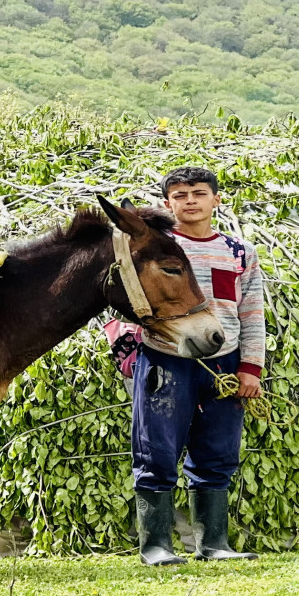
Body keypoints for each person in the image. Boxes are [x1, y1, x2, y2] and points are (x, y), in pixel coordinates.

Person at [120, 166, 267, 565]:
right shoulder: (153, 249)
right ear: (167, 204)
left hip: (224, 363)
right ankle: (156, 546)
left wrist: (250, 368)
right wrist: (128, 354)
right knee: (156, 452)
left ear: (216, 200)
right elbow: (121, 302)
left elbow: (252, 313)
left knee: (217, 452)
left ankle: (214, 544)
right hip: (166, 361)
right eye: (180, 195)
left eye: (199, 193)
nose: (190, 201)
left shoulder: (239, 253)